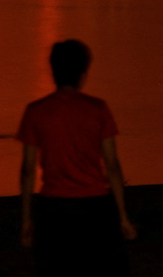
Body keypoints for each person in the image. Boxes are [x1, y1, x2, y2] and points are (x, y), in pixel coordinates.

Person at [16, 39, 138, 275]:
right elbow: (112, 165)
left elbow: (28, 170)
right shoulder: (98, 109)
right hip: (95, 207)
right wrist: (122, 217)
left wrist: (26, 219)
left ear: (53, 70)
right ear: (83, 72)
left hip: (54, 208)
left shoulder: (36, 111)